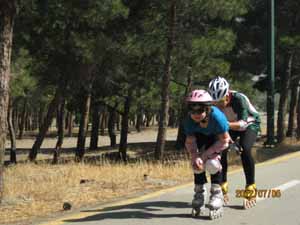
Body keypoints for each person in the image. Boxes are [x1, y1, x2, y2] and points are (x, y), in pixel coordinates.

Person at [208, 76, 261, 209]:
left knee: (245, 148)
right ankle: (222, 185)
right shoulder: (212, 104)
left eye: (221, 101)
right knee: (220, 149)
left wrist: (225, 124)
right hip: (229, 125)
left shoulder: (239, 99)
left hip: (249, 124)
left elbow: (243, 124)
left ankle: (251, 186)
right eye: (215, 102)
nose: (219, 105)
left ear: (227, 94)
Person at [184, 89, 231, 219]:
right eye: (192, 111)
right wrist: (195, 157)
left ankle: (217, 194)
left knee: (212, 163)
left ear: (208, 109)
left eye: (200, 110)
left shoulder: (218, 117)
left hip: (217, 139)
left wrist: (204, 156)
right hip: (200, 138)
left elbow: (225, 141)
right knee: (196, 164)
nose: (196, 114)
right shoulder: (188, 120)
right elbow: (190, 142)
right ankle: (199, 193)